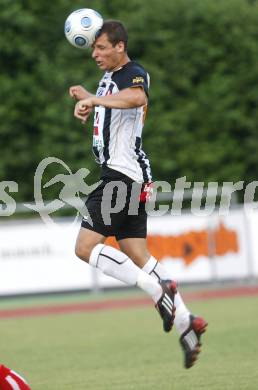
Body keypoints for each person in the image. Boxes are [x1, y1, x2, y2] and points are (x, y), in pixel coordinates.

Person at [69, 20, 207, 368]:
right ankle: (186, 322)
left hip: (121, 177)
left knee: (85, 248)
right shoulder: (109, 78)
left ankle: (157, 291)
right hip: (131, 177)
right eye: (93, 48)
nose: (95, 53)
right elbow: (114, 108)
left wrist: (93, 97)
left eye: (101, 47)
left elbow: (137, 97)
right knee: (136, 252)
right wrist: (90, 104)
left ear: (119, 46)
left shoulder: (133, 72)